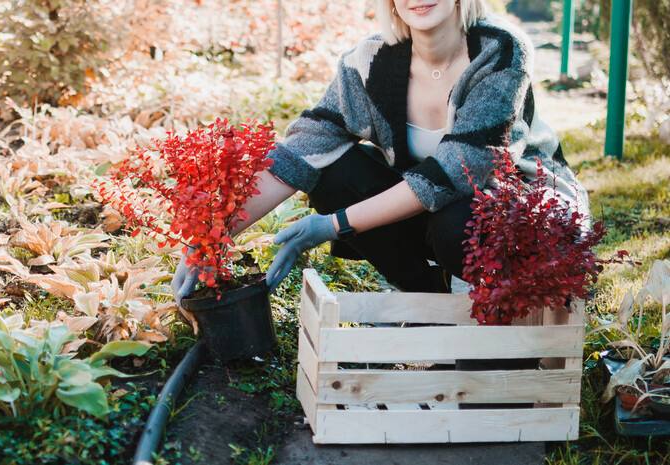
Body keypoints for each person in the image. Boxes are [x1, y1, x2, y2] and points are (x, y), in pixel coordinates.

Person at [171, 0, 589, 303]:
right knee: (335, 174)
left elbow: (460, 172)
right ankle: (432, 303)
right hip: (437, 211)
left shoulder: (499, 51)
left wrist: (332, 226)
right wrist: (213, 238)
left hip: (519, 213)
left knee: (457, 217)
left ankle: (490, 313)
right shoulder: (370, 61)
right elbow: (302, 152)